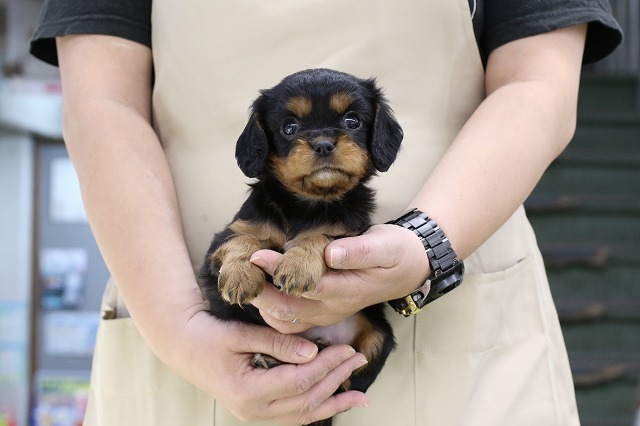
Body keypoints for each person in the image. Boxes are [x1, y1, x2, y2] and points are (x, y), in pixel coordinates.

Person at [30, 1, 622, 425]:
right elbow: (103, 103)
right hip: (184, 320)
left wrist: (425, 245)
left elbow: (537, 83)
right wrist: (180, 328)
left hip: (452, 319)